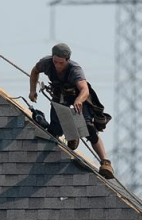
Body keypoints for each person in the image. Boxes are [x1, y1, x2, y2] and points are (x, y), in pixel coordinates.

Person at [29, 43, 115, 179]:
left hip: (77, 97)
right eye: (55, 61)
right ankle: (72, 136)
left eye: (61, 63)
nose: (57, 65)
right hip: (59, 96)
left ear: (67, 60)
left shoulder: (75, 70)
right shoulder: (46, 63)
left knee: (88, 128)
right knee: (55, 131)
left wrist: (79, 100)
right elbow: (34, 72)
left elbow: (84, 90)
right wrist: (32, 90)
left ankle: (105, 162)